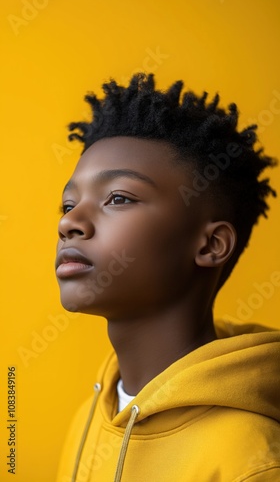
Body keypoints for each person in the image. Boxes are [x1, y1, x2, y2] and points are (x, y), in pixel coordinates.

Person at [55, 73, 280, 482]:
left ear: (211, 245)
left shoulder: (251, 460)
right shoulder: (89, 419)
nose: (70, 222)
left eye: (118, 198)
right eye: (68, 204)